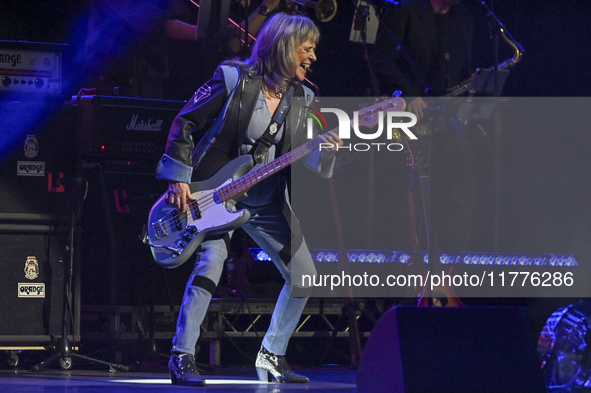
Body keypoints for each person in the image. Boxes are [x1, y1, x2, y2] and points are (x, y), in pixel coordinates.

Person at [155, 12, 343, 386]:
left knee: (304, 275)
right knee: (210, 264)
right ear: (287, 47)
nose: (313, 57)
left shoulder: (305, 98)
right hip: (214, 194)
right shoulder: (233, 78)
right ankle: (182, 355)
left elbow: (313, 164)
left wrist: (330, 150)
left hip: (265, 201)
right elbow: (185, 123)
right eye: (308, 49)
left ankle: (272, 355)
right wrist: (179, 178)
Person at [370, 0, 477, 252]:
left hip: (446, 117)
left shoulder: (464, 18)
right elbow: (381, 60)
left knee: (461, 187)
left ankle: (452, 263)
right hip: (407, 117)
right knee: (411, 196)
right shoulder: (405, 11)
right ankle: (408, 260)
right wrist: (408, 94)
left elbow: (462, 68)